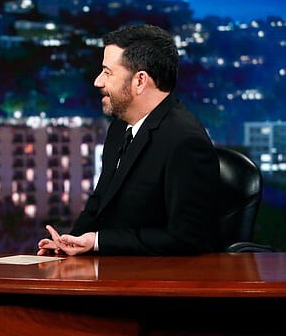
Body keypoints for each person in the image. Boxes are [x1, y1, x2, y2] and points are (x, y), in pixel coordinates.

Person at [38, 24, 219, 256]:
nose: (98, 81)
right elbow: (100, 202)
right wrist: (69, 243)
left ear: (140, 81)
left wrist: (98, 241)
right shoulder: (119, 128)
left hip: (156, 276)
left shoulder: (186, 141)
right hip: (112, 269)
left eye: (108, 72)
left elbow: (187, 238)